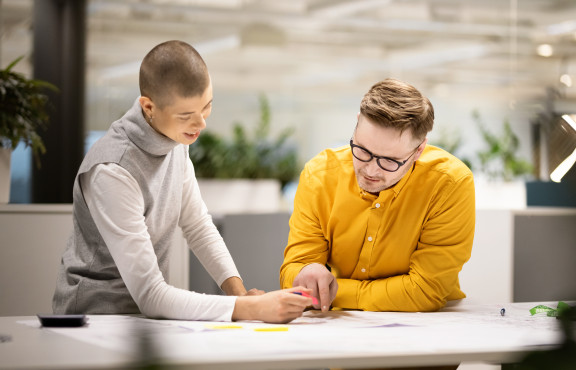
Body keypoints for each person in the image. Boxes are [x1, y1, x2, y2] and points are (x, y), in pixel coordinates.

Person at [53, 40, 312, 323]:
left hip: (144, 319)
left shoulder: (175, 139)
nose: (201, 124)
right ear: (149, 107)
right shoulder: (112, 170)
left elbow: (198, 224)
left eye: (207, 107)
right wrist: (249, 309)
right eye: (186, 115)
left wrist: (239, 294)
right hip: (93, 320)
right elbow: (151, 294)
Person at [280, 78, 475, 313]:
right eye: (362, 150)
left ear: (419, 151)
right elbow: (294, 276)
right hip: (333, 322)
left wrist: (329, 291)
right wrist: (306, 271)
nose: (371, 170)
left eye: (390, 161)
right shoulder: (319, 175)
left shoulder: (449, 183)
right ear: (356, 125)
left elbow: (425, 291)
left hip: (424, 322)